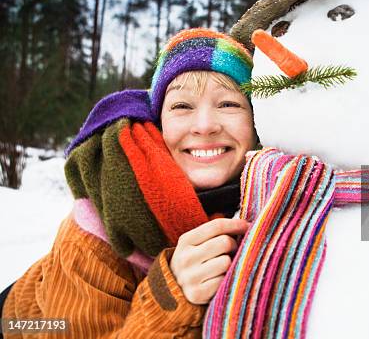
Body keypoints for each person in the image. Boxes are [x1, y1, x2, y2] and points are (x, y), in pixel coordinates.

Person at [1, 28, 258, 338]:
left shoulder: (277, 196)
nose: (204, 126)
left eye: (228, 104)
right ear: (159, 122)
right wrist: (171, 293)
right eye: (182, 106)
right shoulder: (102, 215)